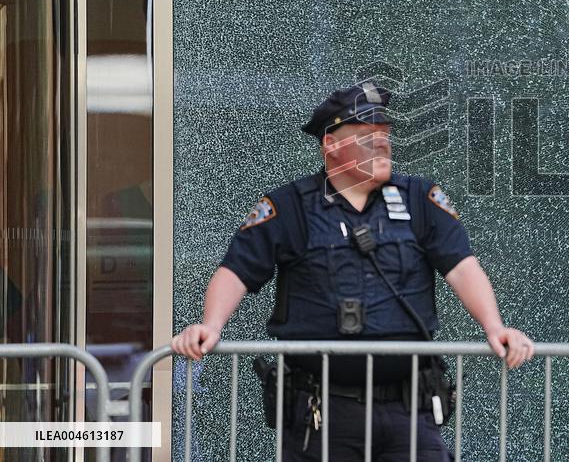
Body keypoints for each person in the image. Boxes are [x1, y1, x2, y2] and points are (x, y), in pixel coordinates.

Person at [172, 82, 534, 460]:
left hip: (408, 410)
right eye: (365, 135)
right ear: (330, 144)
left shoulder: (419, 200)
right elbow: (236, 271)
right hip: (323, 413)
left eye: (384, 134)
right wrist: (211, 325)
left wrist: (494, 327)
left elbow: (462, 267)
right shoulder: (290, 206)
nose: (381, 143)